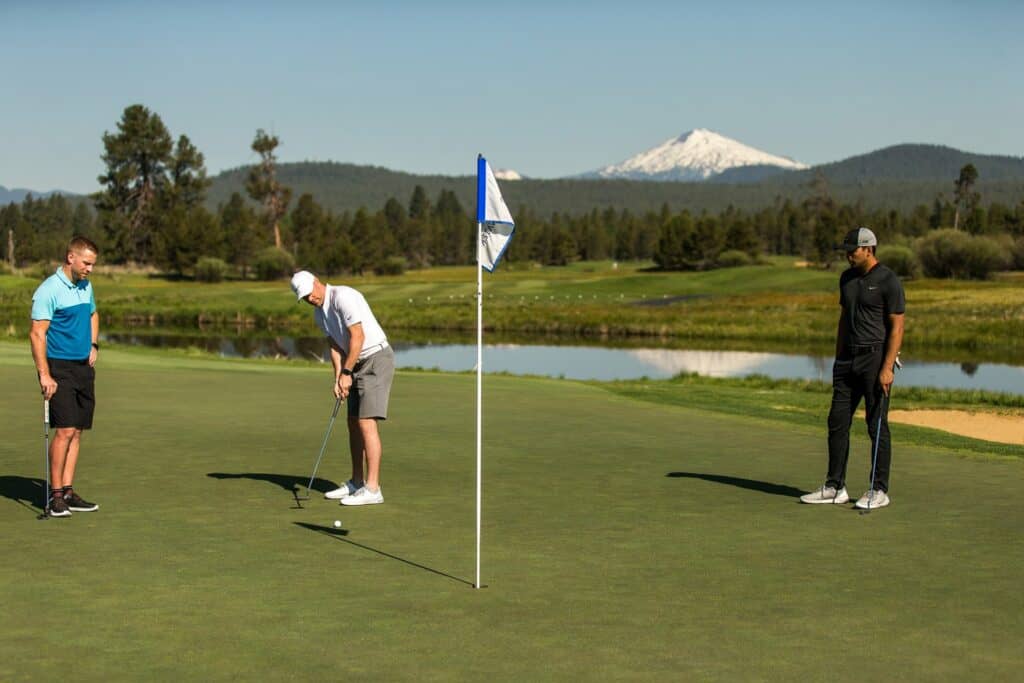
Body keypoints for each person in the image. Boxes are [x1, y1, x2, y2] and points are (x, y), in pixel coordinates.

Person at [801, 227, 905, 510]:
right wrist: (838, 358)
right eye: (846, 250)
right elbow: (844, 320)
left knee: (877, 425)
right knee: (837, 422)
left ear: (868, 249)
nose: (848, 254)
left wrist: (887, 367)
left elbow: (897, 326)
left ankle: (878, 489)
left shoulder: (888, 280)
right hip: (847, 361)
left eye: (852, 250)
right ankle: (835, 487)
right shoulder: (846, 278)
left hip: (875, 360)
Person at [290, 270, 395, 506]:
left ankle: (373, 488)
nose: (310, 299)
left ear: (317, 282)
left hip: (375, 358)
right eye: (304, 298)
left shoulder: (343, 296)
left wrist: (347, 373)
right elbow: (336, 345)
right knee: (352, 421)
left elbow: (357, 337)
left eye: (309, 293)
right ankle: (357, 482)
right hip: (353, 362)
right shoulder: (320, 314)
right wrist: (338, 377)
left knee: (366, 422)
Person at [30, 235, 102, 518]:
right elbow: (37, 333)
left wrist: (93, 344)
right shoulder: (49, 289)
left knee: (78, 430)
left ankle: (69, 491)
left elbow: (93, 314)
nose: (90, 269)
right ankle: (56, 495)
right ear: (71, 257)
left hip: (84, 368)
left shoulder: (86, 286)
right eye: (87, 263)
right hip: (59, 367)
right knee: (65, 430)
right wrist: (44, 374)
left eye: (93, 264)